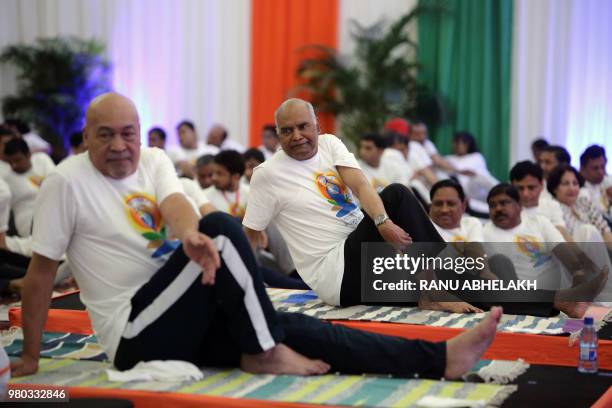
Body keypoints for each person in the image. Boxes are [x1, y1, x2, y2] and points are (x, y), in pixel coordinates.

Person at [11, 93, 503, 382]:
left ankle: (441, 359)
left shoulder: (154, 161)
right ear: (85, 133)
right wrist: (31, 357)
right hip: (134, 329)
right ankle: (264, 348)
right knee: (222, 232)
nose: (120, 146)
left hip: (186, 306)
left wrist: (188, 236)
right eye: (105, 135)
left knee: (309, 330)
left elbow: (178, 206)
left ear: (140, 133)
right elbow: (39, 276)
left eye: (128, 133)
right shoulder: (65, 182)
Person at [243, 98, 479, 312]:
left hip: (363, 249)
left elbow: (361, 186)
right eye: (287, 130)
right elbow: (251, 234)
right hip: (336, 273)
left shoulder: (329, 144)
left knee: (485, 296)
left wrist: (382, 222)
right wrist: (247, 288)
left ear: (317, 124)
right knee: (396, 194)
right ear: (277, 134)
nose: (296, 136)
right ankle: (445, 281)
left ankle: (446, 288)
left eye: (302, 126)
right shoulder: (267, 174)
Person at [483, 184, 608, 308]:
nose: (498, 209)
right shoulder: (484, 234)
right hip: (527, 297)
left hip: (562, 286)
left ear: (519, 205)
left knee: (586, 234)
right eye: (492, 205)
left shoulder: (539, 222)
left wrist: (578, 274)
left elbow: (561, 249)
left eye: (504, 203)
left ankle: (592, 293)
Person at [547, 164, 612, 248]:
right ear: (555, 188)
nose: (572, 188)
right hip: (575, 256)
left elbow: (604, 230)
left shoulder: (584, 202)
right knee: (587, 230)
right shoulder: (552, 208)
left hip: (602, 251)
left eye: (575, 183)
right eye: (565, 184)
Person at [3, 138, 55, 237]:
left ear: (28, 155)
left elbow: (56, 185)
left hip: (52, 210)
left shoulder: (41, 160)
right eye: (10, 162)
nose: (14, 165)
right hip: (28, 221)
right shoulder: (6, 180)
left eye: (17, 160)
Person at [509, 161, 572, 241]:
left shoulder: (551, 206)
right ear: (512, 187)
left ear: (542, 185)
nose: (525, 194)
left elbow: (561, 233)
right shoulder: (507, 210)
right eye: (520, 188)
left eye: (531, 188)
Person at [204, 150, 249, 219]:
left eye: (219, 173)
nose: (213, 178)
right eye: (213, 172)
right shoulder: (205, 197)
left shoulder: (251, 194)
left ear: (235, 176)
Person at [580, 145, 612, 220]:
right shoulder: (578, 188)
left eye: (603, 167)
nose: (601, 172)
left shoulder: (606, 180)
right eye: (595, 168)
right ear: (582, 169)